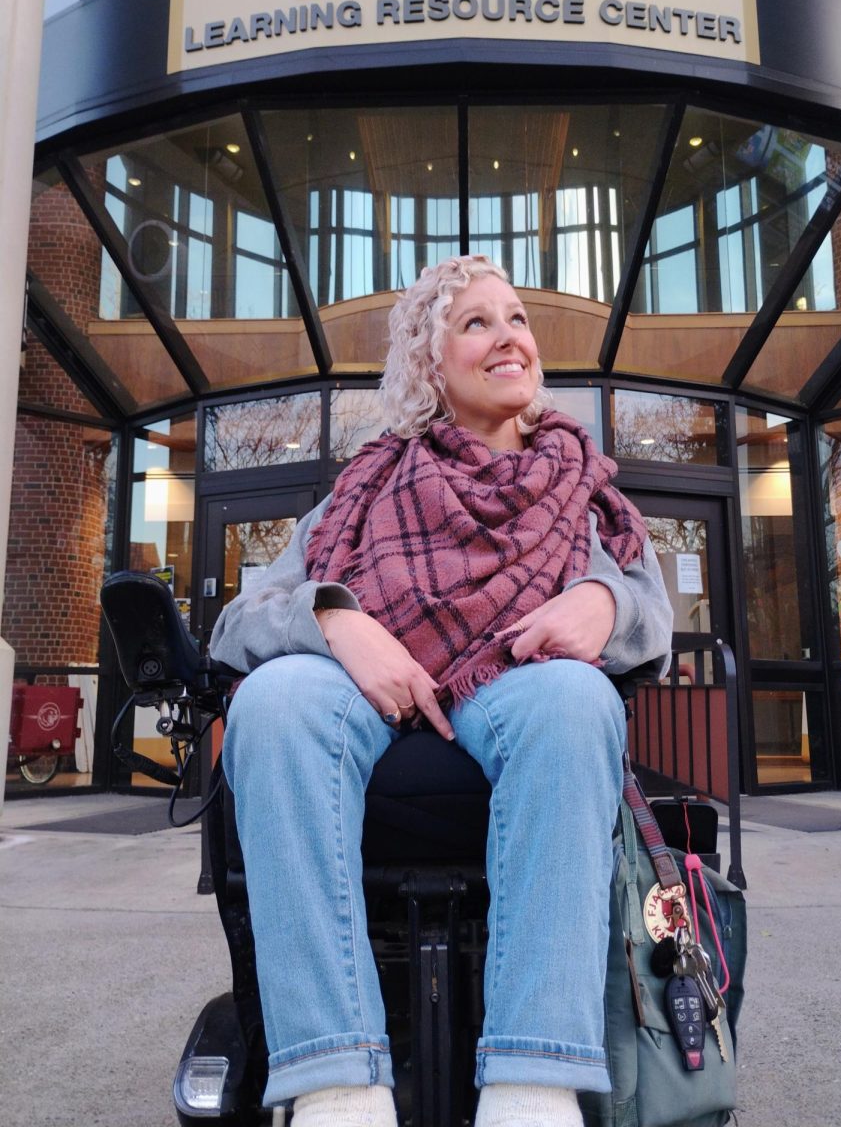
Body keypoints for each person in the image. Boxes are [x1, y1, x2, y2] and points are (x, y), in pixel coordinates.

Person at [210, 256, 674, 1127]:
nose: (509, 336)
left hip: (513, 693)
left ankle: (533, 1086)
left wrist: (602, 603)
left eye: (518, 319)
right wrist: (341, 622)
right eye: (476, 322)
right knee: (272, 703)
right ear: (430, 362)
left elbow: (655, 612)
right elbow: (243, 619)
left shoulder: (580, 496)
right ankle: (335, 1083)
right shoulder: (363, 490)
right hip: (368, 698)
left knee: (577, 701)